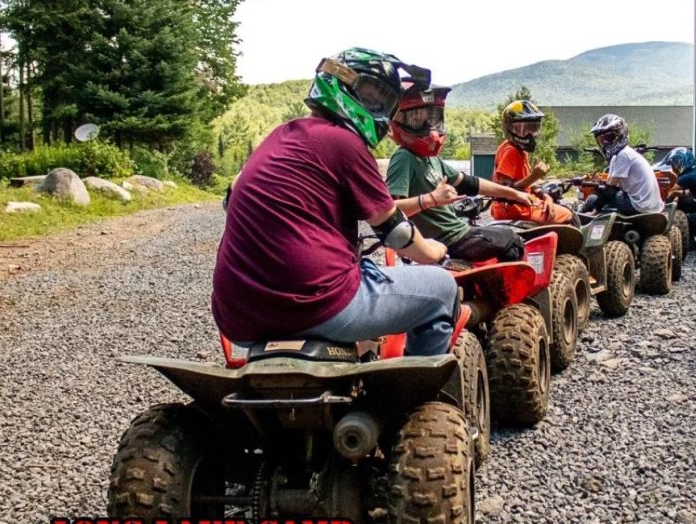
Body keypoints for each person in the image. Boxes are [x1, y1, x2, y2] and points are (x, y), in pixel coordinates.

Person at [212, 47, 459, 356]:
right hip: (316, 305)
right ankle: (414, 384)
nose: (380, 109)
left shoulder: (279, 135)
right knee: (442, 290)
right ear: (342, 84)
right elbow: (396, 233)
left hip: (237, 316)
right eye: (371, 95)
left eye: (384, 101)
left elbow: (231, 197)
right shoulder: (345, 143)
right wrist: (434, 252)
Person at [385, 83, 531, 262]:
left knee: (507, 235)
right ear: (400, 121)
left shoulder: (431, 159)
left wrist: (514, 194)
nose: (429, 128)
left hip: (457, 233)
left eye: (432, 118)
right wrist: (430, 199)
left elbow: (470, 183)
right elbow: (389, 210)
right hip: (447, 240)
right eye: (417, 119)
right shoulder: (404, 158)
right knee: (512, 240)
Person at [490, 100, 574, 225]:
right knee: (568, 214)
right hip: (515, 208)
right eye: (523, 129)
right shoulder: (511, 151)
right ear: (509, 128)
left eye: (533, 129)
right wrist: (534, 176)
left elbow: (528, 185)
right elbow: (505, 190)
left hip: (516, 206)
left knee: (553, 208)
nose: (529, 135)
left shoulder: (520, 151)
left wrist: (545, 196)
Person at [580, 114, 663, 216]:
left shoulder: (623, 155)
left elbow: (610, 187)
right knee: (608, 194)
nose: (605, 143)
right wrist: (600, 182)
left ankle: (590, 215)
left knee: (599, 197)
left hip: (639, 206)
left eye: (608, 138)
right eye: (601, 140)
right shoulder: (624, 153)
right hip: (650, 205)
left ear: (619, 136)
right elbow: (613, 183)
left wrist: (595, 206)